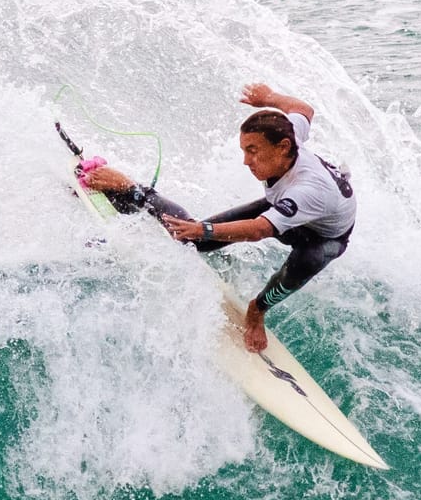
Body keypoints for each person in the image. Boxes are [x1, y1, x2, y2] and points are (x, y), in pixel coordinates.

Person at [79, 83, 356, 353]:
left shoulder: (308, 190)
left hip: (323, 235)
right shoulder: (289, 134)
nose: (246, 161)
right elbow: (304, 109)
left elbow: (259, 230)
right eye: (244, 150)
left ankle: (257, 310)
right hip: (286, 205)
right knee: (196, 240)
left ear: (283, 147)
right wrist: (269, 97)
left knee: (306, 261)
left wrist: (203, 229)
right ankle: (132, 190)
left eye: (253, 151)